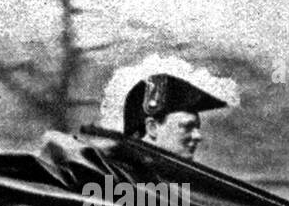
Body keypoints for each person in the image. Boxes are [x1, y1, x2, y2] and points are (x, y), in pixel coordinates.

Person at [99, 55, 239, 162]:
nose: (198, 136)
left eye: (197, 128)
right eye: (187, 126)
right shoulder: (115, 179)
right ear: (152, 128)